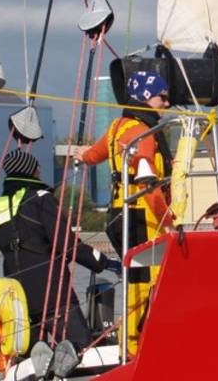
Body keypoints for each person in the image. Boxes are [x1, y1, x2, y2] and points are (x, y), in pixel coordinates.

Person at [71, 70, 174, 355]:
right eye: (162, 97)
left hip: (118, 215)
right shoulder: (144, 132)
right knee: (149, 282)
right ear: (145, 97)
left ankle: (130, 344)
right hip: (142, 216)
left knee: (134, 279)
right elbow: (147, 182)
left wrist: (82, 154)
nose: (166, 104)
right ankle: (136, 347)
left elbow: (94, 155)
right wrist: (168, 222)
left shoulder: (117, 127)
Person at [0, 148, 119, 352]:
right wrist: (106, 263)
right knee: (81, 352)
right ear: (30, 170)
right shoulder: (41, 199)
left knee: (30, 361)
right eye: (37, 167)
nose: (39, 171)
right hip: (52, 296)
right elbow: (68, 244)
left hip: (17, 300)